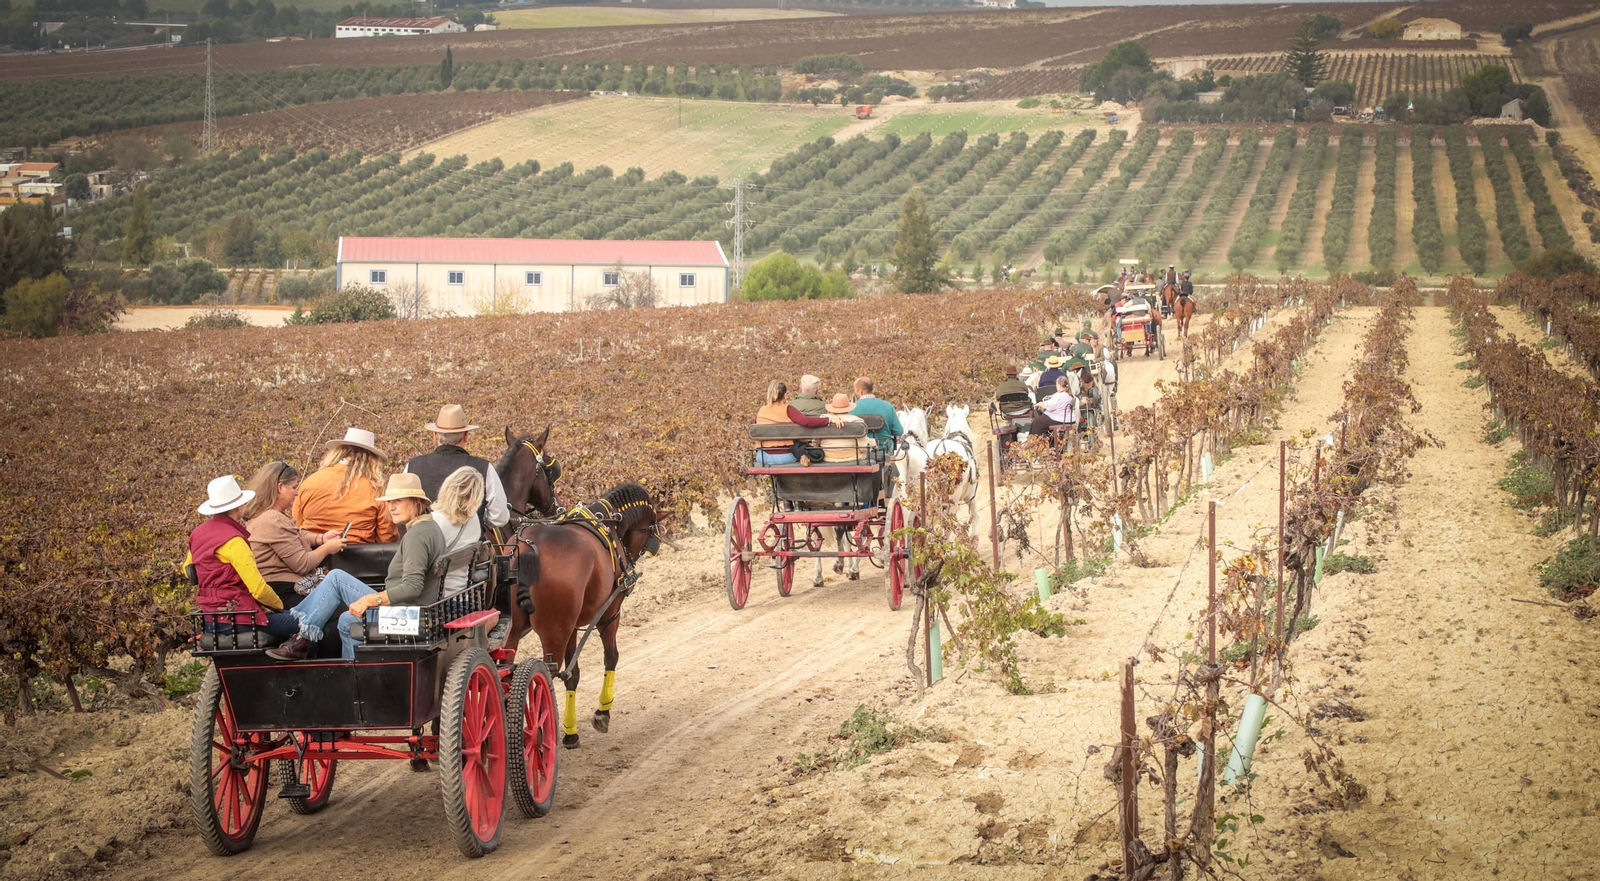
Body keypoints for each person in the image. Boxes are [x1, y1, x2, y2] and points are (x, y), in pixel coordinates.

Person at [266, 468, 485, 661]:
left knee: (336, 580)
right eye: (389, 502)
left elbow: (412, 586)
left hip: (410, 615)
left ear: (417, 502)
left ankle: (302, 637)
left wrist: (372, 599)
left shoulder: (418, 535)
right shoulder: (429, 527)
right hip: (417, 609)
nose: (391, 507)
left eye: (398, 501)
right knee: (345, 616)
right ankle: (309, 641)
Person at [186, 475, 296, 640]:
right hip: (238, 618)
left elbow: (188, 570)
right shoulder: (234, 540)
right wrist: (279, 606)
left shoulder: (197, 534)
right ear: (238, 507)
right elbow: (258, 589)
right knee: (308, 622)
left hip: (210, 618)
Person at [239, 461, 346, 609]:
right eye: (294, 487)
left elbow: (292, 535)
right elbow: (303, 564)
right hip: (286, 593)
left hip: (282, 589)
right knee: (344, 611)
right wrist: (328, 547)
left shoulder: (263, 516)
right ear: (280, 487)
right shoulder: (273, 519)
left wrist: (320, 538)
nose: (297, 493)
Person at [404, 404, 509, 529]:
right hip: (470, 546)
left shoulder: (413, 466)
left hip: (422, 545)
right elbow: (500, 517)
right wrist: (478, 521)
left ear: (435, 436)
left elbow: (402, 510)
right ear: (466, 437)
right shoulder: (484, 468)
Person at [293, 428, 397, 544]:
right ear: (372, 460)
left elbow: (296, 525)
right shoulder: (376, 489)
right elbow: (386, 537)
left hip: (312, 554)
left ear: (338, 452)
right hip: (359, 558)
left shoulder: (310, 482)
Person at [754, 380, 834, 466]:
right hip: (784, 457)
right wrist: (828, 419)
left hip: (762, 457)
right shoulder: (788, 409)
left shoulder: (761, 410)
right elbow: (806, 421)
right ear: (785, 395)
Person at [849, 376, 904, 457]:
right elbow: (899, 431)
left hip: (860, 452)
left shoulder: (851, 409)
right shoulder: (888, 406)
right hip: (884, 451)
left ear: (860, 391)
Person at [819, 394, 866, 463]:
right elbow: (864, 447)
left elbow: (816, 441)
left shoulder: (823, 419)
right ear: (848, 408)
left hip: (828, 457)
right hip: (853, 457)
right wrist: (872, 443)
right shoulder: (857, 421)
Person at [1031, 377, 1077, 444]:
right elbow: (1054, 398)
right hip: (1066, 417)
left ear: (1058, 385)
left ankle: (1035, 444)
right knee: (1041, 420)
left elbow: (1050, 405)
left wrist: (1039, 404)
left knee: (1037, 422)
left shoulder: (1061, 396)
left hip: (1060, 418)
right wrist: (1049, 397)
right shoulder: (1067, 394)